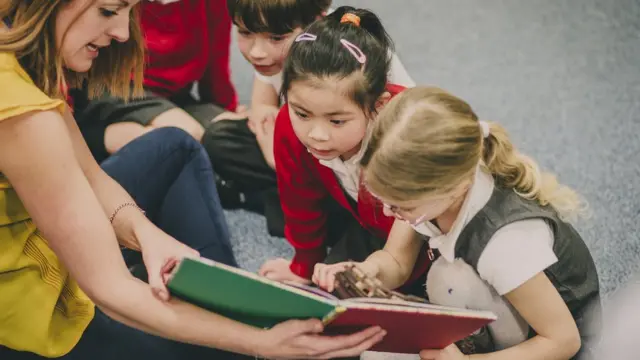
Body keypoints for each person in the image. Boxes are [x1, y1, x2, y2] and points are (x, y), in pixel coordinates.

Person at [0, 1, 385, 359]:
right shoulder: (24, 115)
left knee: (175, 146)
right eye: (108, 10)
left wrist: (145, 234)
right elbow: (109, 289)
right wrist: (259, 343)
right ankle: (242, 333)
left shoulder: (21, 58)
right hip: (37, 322)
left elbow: (91, 177)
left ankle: (234, 304)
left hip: (45, 242)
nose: (122, 31)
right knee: (220, 347)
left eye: (129, 10)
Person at [313, 86, 602, 359]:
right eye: (383, 200)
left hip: (551, 345)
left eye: (401, 205)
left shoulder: (506, 245)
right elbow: (396, 262)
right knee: (376, 350)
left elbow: (564, 341)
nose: (388, 214)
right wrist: (365, 272)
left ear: (453, 188)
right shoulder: (435, 189)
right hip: (503, 312)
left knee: (447, 280)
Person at [258, 7, 430, 298]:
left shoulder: (408, 134)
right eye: (302, 113)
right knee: (328, 290)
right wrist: (303, 266)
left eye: (336, 120)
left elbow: (402, 257)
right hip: (371, 224)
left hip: (431, 234)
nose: (316, 134)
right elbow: (298, 199)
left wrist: (374, 274)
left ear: (379, 105)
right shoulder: (289, 124)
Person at [204, 1, 415, 236]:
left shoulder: (356, 52)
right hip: (311, 145)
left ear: (315, 22)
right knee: (219, 138)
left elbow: (407, 131)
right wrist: (273, 139)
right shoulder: (276, 50)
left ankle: (303, 210)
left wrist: (283, 155)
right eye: (245, 32)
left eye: (276, 38)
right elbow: (262, 106)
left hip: (359, 161)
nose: (257, 52)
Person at [70, 0, 244, 164]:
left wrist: (227, 109)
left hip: (176, 98)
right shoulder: (128, 8)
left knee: (233, 134)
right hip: (118, 88)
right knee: (186, 135)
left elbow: (216, 62)